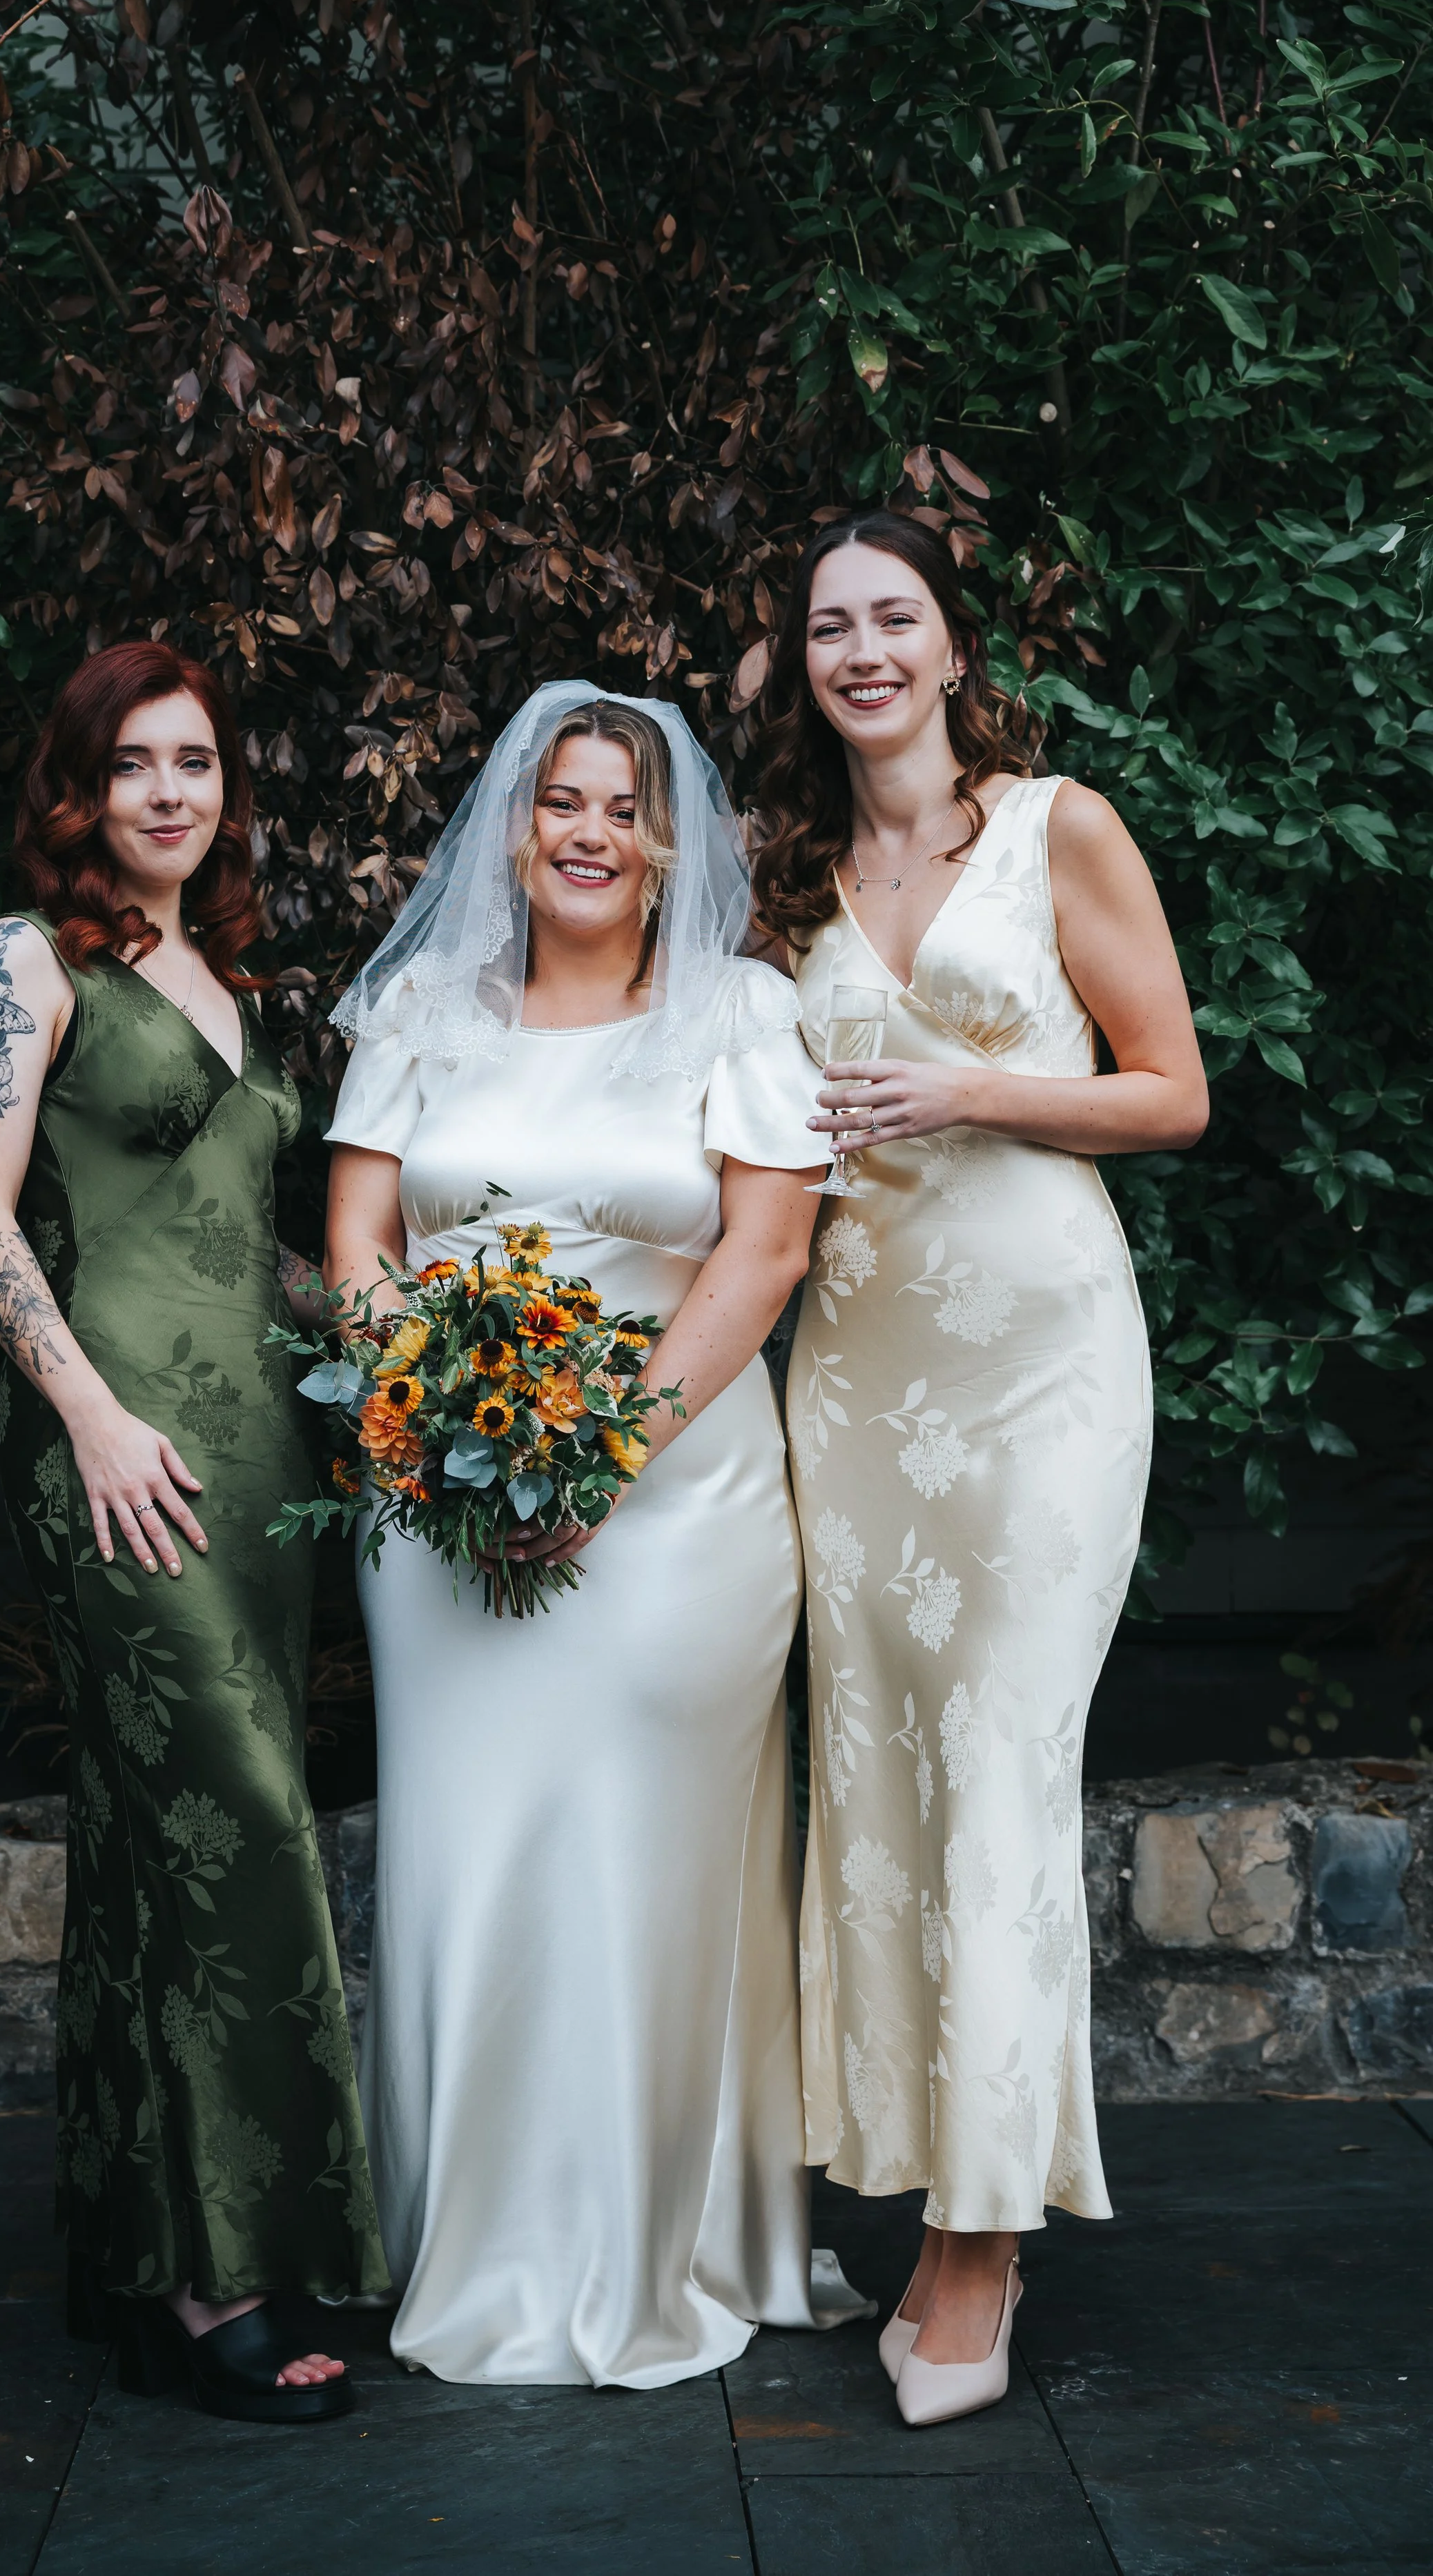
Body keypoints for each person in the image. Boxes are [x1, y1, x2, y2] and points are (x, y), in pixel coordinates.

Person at [322, 684, 870, 2386]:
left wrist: (597, 1454)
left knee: (643, 1863)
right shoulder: (420, 1006)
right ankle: (464, 2245)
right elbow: (356, 1237)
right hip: (436, 1509)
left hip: (675, 1512)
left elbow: (762, 1256)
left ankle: (658, 2243)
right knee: (468, 1859)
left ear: (665, 847)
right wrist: (418, 1421)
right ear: (508, 827)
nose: (585, 831)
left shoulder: (739, 1012)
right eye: (557, 800)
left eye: (622, 810)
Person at [751, 514, 1206, 2427]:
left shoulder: (1056, 826)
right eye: (828, 626)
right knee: (883, 1793)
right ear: (804, 665)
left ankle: (976, 2251)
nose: (862, 650)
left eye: (894, 620)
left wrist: (972, 1085)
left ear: (951, 650)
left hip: (1037, 1376)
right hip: (851, 1385)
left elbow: (1171, 1087)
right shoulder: (782, 892)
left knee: (1004, 1776)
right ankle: (908, 2177)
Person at [0, 640, 387, 2423]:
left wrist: (403, 1347)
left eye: (196, 762)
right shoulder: (20, 963)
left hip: (260, 1471)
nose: (172, 791)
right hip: (120, 1461)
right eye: (137, 764)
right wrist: (91, 1412)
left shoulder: (228, 985)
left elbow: (237, 1237)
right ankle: (218, 2279)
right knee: (239, 1827)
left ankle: (132, 2248)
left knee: (150, 1848)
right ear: (80, 787)